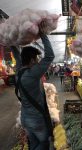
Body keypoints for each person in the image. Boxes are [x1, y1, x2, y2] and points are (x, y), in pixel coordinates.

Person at [11, 22, 55, 150]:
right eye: (36, 59)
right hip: (36, 120)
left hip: (26, 118)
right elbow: (50, 56)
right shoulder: (32, 73)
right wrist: (42, 34)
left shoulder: (19, 71)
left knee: (34, 143)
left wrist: (12, 42)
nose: (37, 62)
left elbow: (17, 55)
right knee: (44, 144)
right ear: (31, 60)